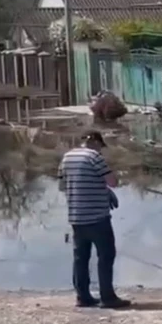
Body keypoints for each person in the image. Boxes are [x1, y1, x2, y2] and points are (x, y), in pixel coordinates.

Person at [57, 130, 131, 309]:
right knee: (106, 255)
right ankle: (108, 298)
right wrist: (108, 187)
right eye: (100, 146)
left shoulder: (66, 157)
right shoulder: (94, 157)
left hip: (76, 217)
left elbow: (61, 186)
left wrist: (100, 191)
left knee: (80, 258)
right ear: (95, 142)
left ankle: (83, 297)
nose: (100, 150)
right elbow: (112, 181)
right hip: (97, 217)